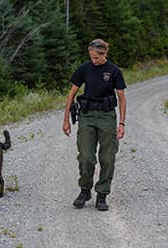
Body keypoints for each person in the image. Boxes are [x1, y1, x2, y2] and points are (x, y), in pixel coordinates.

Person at [62, 39, 126, 211]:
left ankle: (102, 194)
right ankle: (85, 190)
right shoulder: (84, 69)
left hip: (106, 117)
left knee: (107, 157)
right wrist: (66, 119)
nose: (94, 60)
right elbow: (72, 94)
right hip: (87, 116)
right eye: (91, 57)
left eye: (97, 57)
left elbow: (121, 99)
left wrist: (121, 123)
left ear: (105, 54)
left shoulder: (114, 71)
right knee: (86, 157)